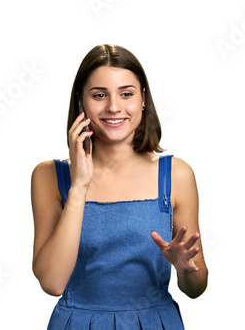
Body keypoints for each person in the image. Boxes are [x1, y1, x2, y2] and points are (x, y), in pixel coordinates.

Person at [31, 44, 208, 329]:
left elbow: (196, 288)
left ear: (143, 100)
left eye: (126, 94)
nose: (114, 107)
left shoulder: (176, 175)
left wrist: (185, 269)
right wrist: (79, 187)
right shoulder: (49, 176)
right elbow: (52, 283)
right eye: (99, 95)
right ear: (81, 101)